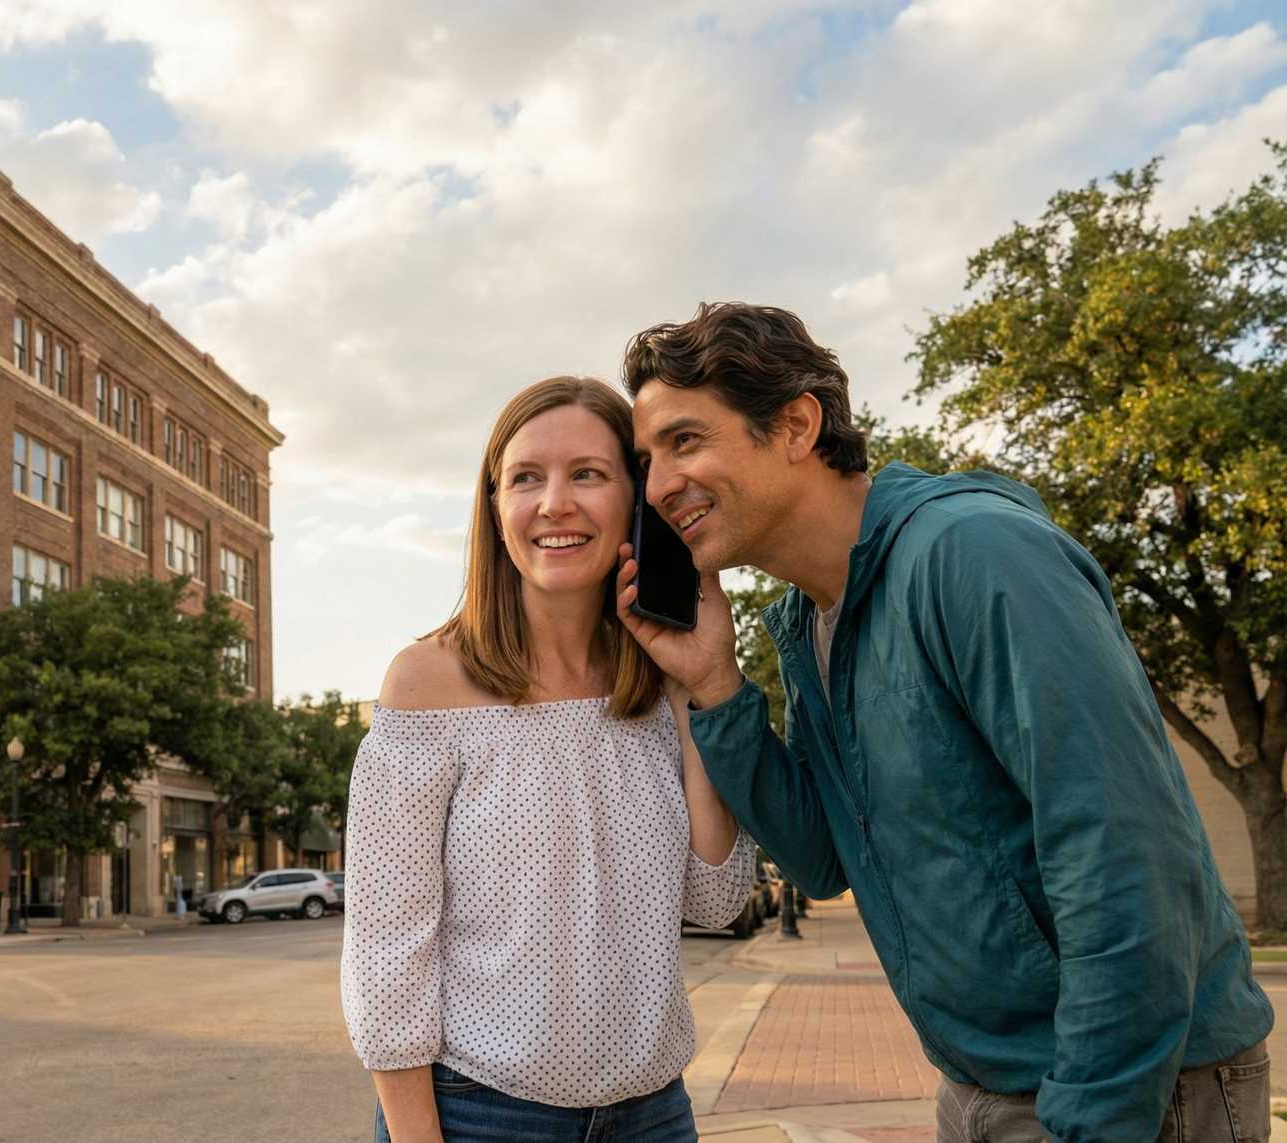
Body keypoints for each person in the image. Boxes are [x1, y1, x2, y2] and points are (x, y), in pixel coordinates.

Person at [614, 302, 1273, 1143]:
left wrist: (1095, 1116)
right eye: (646, 460)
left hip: (1131, 1087)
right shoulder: (809, 619)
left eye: (685, 441)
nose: (659, 486)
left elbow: (1124, 858)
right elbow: (820, 859)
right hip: (982, 1087)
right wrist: (715, 682)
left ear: (795, 425)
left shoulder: (974, 554)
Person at [341, 375, 755, 1143]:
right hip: (478, 1114)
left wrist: (701, 683)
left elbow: (718, 897)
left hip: (654, 1115)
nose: (554, 503)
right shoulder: (427, 682)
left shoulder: (662, 676)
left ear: (634, 500)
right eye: (525, 477)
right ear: (495, 508)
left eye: (588, 474)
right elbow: (385, 959)